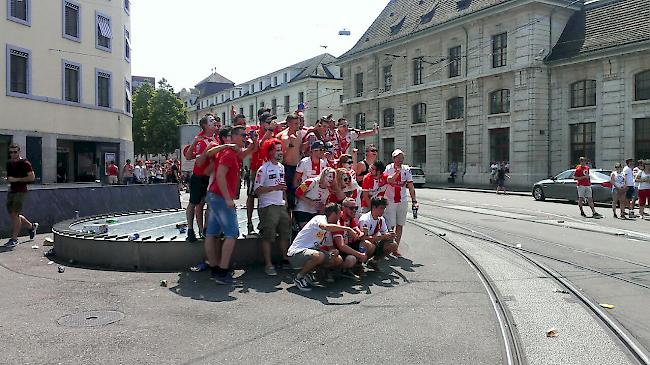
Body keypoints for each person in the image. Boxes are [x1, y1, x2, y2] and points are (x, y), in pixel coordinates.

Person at [203, 125, 255, 284]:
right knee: (232, 234)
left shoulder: (231, 153)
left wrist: (254, 143)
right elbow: (220, 176)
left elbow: (247, 152)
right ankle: (223, 272)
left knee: (211, 234)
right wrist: (227, 198)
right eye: (243, 135)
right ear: (233, 137)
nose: (245, 137)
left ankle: (215, 269)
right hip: (220, 197)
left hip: (213, 196)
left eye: (246, 135)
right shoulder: (229, 154)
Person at [287, 203, 359, 292]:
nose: (339, 217)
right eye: (339, 213)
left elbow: (330, 247)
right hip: (295, 254)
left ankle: (308, 273)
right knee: (319, 255)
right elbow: (325, 227)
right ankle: (299, 277)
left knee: (337, 259)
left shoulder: (328, 228)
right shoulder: (319, 218)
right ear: (333, 214)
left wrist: (334, 252)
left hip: (310, 253)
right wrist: (348, 229)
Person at [254, 139, 292, 276]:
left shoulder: (281, 167)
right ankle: (268, 264)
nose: (280, 152)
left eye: (281, 149)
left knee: (285, 233)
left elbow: (282, 186)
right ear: (270, 152)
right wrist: (274, 188)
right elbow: (257, 190)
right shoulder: (263, 169)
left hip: (280, 205)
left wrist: (285, 200)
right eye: (277, 150)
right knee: (268, 236)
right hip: (268, 206)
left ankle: (285, 259)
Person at [183, 114, 219, 242]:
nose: (214, 122)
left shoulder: (215, 139)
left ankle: (205, 229)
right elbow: (196, 160)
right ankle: (192, 229)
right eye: (211, 120)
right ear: (205, 125)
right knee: (195, 203)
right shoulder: (201, 140)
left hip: (210, 177)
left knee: (207, 204)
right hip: (199, 177)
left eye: (214, 120)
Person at [246, 110, 277, 236]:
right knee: (252, 196)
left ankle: (263, 224)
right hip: (256, 169)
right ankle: (249, 223)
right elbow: (259, 145)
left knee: (265, 198)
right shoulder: (255, 133)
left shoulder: (273, 134)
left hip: (269, 169)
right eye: (268, 122)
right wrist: (269, 131)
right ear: (262, 123)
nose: (271, 124)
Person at [384, 149, 417, 257]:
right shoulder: (388, 168)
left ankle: (395, 248)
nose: (400, 160)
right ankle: (388, 246)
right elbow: (389, 181)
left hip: (402, 200)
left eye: (402, 158)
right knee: (391, 225)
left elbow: (411, 186)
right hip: (390, 200)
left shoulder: (406, 169)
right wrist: (397, 172)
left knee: (400, 224)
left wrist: (414, 201)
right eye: (398, 158)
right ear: (394, 159)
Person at [4, 143, 38, 247]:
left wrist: (17, 179)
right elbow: (10, 177)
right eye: (11, 152)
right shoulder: (9, 163)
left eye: (15, 152)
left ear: (19, 152)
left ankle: (14, 239)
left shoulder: (25, 163)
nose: (13, 154)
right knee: (14, 215)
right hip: (12, 190)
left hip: (21, 191)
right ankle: (31, 227)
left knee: (15, 214)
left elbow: (32, 177)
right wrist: (8, 179)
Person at [332, 198, 369, 280]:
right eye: (351, 208)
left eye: (355, 208)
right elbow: (341, 246)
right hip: (337, 249)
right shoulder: (338, 220)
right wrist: (359, 255)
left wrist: (364, 232)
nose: (354, 210)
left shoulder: (351, 218)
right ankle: (336, 270)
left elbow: (359, 236)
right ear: (343, 208)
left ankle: (357, 267)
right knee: (351, 259)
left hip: (348, 245)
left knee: (366, 244)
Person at [358, 197, 398, 271]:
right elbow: (363, 238)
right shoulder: (365, 219)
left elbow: (385, 232)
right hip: (362, 244)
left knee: (393, 245)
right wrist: (382, 237)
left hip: (375, 242)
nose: (383, 210)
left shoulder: (381, 219)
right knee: (369, 245)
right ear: (374, 207)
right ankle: (358, 264)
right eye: (381, 208)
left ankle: (374, 261)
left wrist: (390, 235)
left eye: (384, 208)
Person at [277, 113, 302, 212]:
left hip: (298, 167)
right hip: (287, 167)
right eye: (295, 123)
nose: (298, 125)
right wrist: (289, 144)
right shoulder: (283, 136)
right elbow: (280, 153)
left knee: (297, 193)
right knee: (287, 193)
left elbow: (299, 149)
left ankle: (294, 219)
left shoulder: (299, 134)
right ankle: (287, 218)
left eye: (298, 123)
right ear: (289, 124)